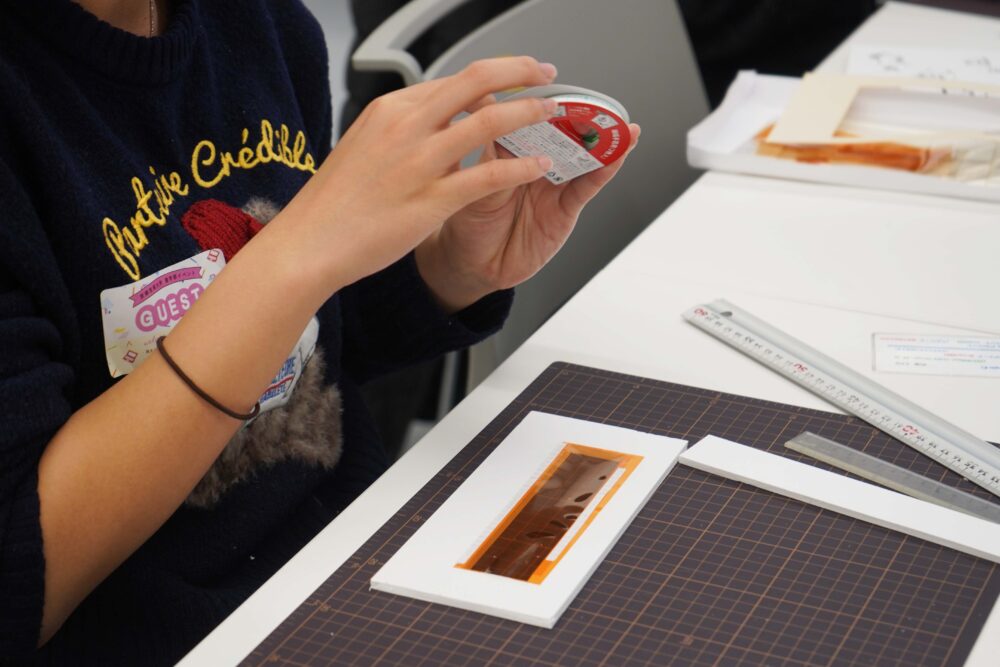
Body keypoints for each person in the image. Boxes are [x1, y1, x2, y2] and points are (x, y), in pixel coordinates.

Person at [0, 0, 639, 663]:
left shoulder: (261, 26)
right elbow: (25, 581)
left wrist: (450, 267)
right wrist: (289, 261)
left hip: (355, 553)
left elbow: (318, 348)